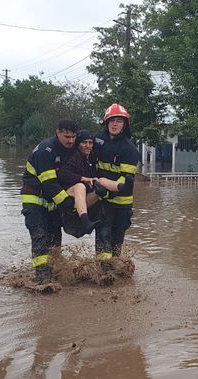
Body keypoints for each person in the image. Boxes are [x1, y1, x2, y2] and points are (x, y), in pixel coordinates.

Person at [20, 119, 80, 284]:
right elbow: (50, 184)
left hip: (52, 202)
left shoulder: (70, 150)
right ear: (57, 133)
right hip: (34, 199)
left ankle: (56, 273)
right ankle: (43, 280)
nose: (71, 141)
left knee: (55, 239)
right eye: (67, 136)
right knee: (40, 236)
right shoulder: (45, 151)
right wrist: (68, 204)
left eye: (73, 137)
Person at [93, 103, 140, 262]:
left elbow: (126, 180)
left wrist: (107, 189)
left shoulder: (129, 149)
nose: (115, 124)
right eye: (112, 120)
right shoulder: (97, 140)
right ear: (106, 123)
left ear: (125, 124)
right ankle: (103, 271)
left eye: (119, 121)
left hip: (122, 205)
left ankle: (114, 269)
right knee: (102, 239)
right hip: (103, 202)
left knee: (116, 244)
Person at [56, 130, 111, 238]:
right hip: (69, 196)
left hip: (85, 200)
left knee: (101, 189)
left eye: (90, 143)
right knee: (80, 186)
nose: (88, 146)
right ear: (78, 144)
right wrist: (82, 178)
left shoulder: (92, 159)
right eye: (84, 142)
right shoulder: (73, 157)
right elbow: (62, 174)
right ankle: (86, 222)